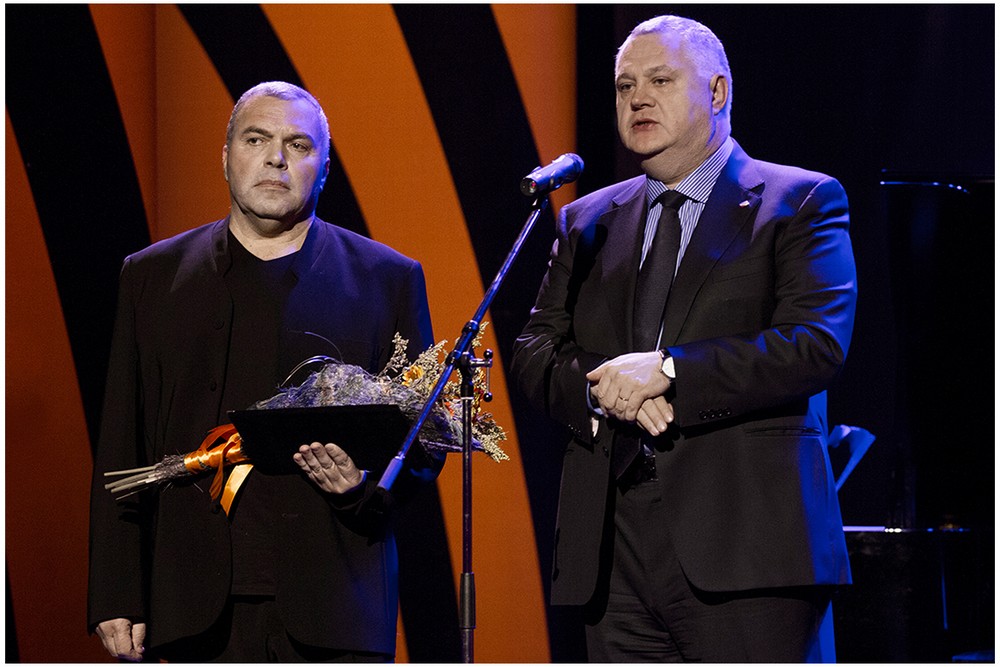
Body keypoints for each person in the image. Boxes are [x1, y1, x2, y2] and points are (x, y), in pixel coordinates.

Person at [511, 15, 856, 663]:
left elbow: (814, 344)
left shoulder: (800, 201)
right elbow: (534, 352)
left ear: (717, 92)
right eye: (624, 86)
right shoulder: (587, 219)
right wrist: (610, 389)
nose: (637, 99)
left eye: (661, 81)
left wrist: (669, 371)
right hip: (612, 553)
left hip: (749, 550)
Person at [88, 81, 441, 662]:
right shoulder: (152, 277)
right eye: (257, 139)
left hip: (336, 604)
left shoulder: (387, 279)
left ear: (323, 170)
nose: (277, 157)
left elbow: (425, 441)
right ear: (226, 157)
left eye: (298, 145)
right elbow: (121, 440)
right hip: (189, 606)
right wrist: (116, 591)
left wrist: (361, 487)